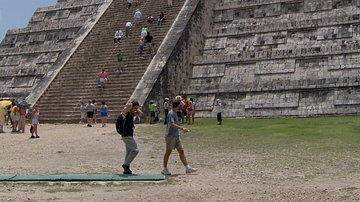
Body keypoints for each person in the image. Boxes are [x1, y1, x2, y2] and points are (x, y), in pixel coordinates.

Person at [161, 100, 198, 175]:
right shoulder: (171, 113)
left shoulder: (175, 113)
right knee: (168, 151)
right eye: (180, 105)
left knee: (181, 151)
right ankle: (164, 168)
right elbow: (171, 124)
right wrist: (182, 128)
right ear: (178, 105)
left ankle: (187, 167)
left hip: (176, 135)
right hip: (171, 135)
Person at [120, 100, 143, 174]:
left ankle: (126, 170)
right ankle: (126, 165)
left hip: (129, 135)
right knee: (135, 150)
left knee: (128, 152)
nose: (136, 109)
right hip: (126, 135)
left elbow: (140, 113)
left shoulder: (132, 113)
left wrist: (135, 108)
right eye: (135, 108)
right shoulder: (125, 113)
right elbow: (126, 109)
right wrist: (129, 104)